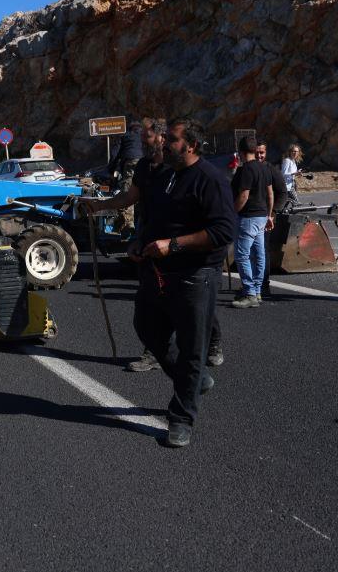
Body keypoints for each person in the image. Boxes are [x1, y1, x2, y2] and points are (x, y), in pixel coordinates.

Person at [84, 119, 225, 370]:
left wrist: (176, 242)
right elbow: (130, 197)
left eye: (146, 139)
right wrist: (100, 206)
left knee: (193, 305)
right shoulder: (144, 166)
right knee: (151, 306)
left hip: (181, 246)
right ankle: (155, 352)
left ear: (161, 138)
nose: (143, 144)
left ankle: (210, 346)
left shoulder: (177, 168)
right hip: (151, 237)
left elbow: (217, 225)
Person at [132, 117, 236, 447]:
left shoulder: (210, 179)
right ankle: (193, 380)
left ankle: (181, 417)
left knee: (192, 349)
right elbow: (156, 218)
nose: (164, 143)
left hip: (195, 275)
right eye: (164, 138)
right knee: (146, 327)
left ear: (190, 145)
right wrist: (141, 243)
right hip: (158, 272)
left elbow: (223, 231)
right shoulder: (168, 176)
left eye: (172, 139)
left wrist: (173, 245)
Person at [230, 136, 273, 309]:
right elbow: (270, 194)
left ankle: (249, 293)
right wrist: (269, 215)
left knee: (242, 255)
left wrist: (232, 213)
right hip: (262, 215)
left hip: (248, 217)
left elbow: (244, 195)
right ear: (255, 150)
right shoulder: (264, 168)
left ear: (240, 151)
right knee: (259, 254)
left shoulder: (247, 169)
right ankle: (257, 291)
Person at [256, 139, 287, 299]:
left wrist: (272, 213)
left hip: (266, 218)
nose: (259, 156)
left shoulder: (272, 170)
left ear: (265, 153)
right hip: (249, 218)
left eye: (261, 152)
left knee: (262, 251)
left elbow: (282, 193)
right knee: (249, 253)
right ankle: (253, 285)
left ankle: (264, 285)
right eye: (256, 152)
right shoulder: (246, 169)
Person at [108, 121, 144, 232]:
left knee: (128, 191)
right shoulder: (145, 136)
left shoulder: (125, 136)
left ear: (130, 128)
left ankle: (128, 225)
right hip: (145, 163)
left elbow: (115, 154)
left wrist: (111, 169)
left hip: (131, 163)